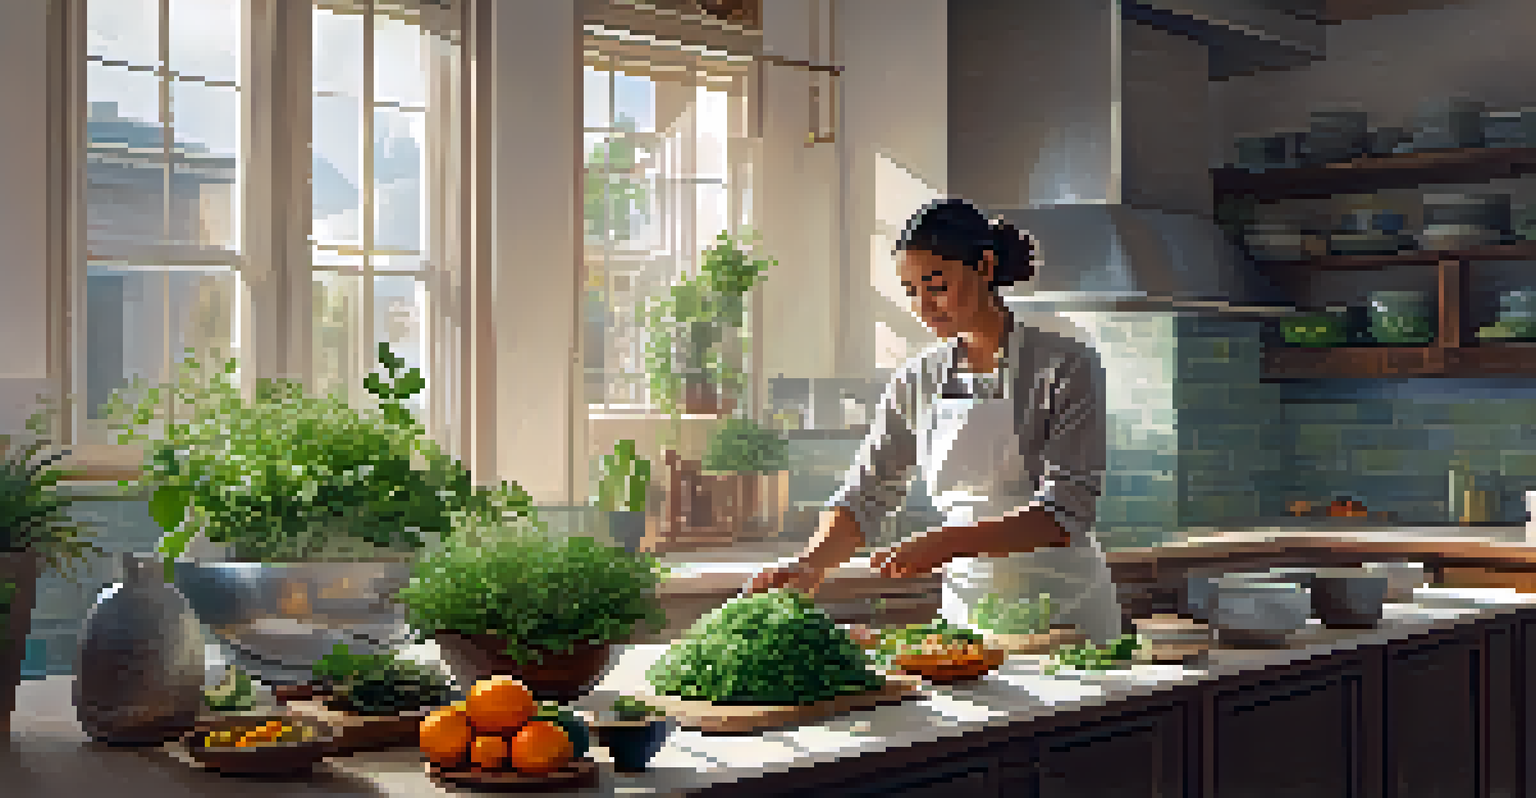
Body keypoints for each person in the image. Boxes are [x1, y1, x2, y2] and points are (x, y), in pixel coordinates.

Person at [743, 197, 1123, 643]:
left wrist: (945, 542)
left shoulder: (1066, 365)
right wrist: (810, 563)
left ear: (983, 267)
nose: (923, 305)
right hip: (971, 623)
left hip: (1068, 614)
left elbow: (1066, 512)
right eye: (910, 290)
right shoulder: (918, 379)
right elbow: (867, 493)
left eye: (936, 286)